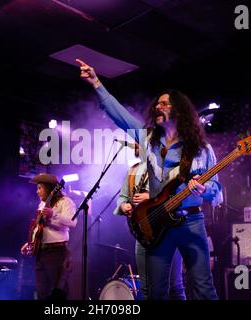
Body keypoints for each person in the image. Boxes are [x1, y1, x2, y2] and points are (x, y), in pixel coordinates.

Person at [77, 59, 223, 300]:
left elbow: (216, 189)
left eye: (164, 104)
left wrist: (204, 188)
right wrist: (96, 83)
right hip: (159, 225)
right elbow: (120, 116)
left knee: (204, 288)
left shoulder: (201, 149)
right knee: (156, 292)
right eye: (157, 103)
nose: (158, 106)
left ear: (178, 111)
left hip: (192, 222)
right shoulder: (148, 140)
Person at [114, 144, 186, 300]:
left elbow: (178, 190)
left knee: (175, 285)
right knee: (146, 288)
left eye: (142, 141)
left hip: (167, 229)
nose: (137, 145)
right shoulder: (133, 170)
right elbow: (123, 196)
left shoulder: (168, 164)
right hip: (144, 232)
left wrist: (151, 196)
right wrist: (123, 205)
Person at [21, 173, 77, 300]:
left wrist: (54, 215)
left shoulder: (66, 202)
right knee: (42, 292)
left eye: (40, 188)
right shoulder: (42, 204)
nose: (37, 191)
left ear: (49, 188)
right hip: (41, 252)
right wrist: (30, 243)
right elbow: (38, 227)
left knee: (57, 293)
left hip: (57, 252)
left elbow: (73, 222)